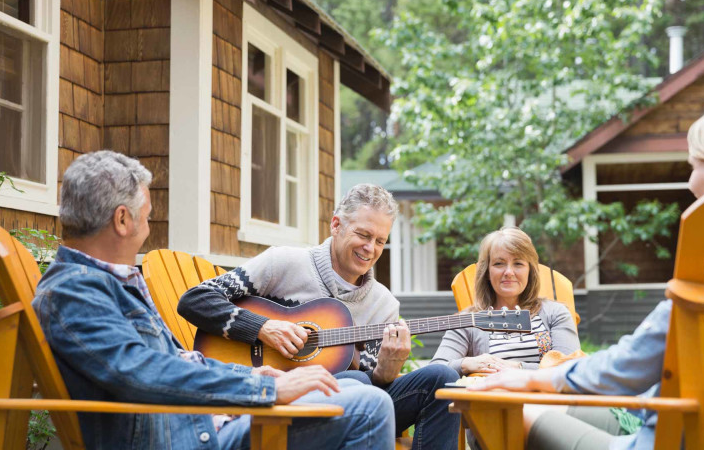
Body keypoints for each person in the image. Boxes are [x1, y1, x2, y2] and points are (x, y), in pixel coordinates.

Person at [32, 151, 395, 450]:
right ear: (122, 219)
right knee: (370, 406)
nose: (148, 224)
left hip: (208, 418)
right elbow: (142, 373)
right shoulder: (74, 291)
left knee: (347, 385)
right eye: (147, 215)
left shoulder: (104, 282)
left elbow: (173, 361)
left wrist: (251, 373)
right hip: (193, 435)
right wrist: (266, 387)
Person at [468, 93, 704, 450]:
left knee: (505, 410)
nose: (689, 183)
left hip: (674, 438)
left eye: (694, 166)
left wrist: (530, 380)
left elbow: (628, 368)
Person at [178, 183, 460, 450]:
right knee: (356, 383)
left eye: (380, 241)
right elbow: (195, 300)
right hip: (275, 395)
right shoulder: (283, 263)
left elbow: (376, 389)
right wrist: (263, 327)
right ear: (336, 225)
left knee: (442, 380)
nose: (370, 248)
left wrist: (387, 368)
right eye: (363, 235)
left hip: (351, 404)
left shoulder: (383, 304)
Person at [430, 227, 580, 376]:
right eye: (499, 264)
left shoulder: (555, 313)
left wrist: (518, 367)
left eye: (518, 264)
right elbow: (436, 369)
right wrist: (466, 363)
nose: (508, 272)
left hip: (544, 399)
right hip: (490, 398)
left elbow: (571, 368)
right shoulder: (468, 321)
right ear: (487, 272)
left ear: (530, 271)